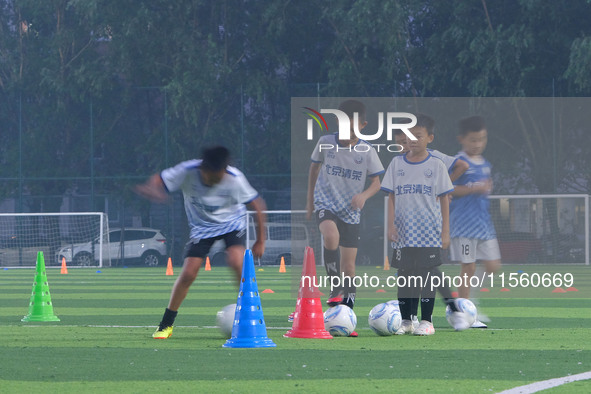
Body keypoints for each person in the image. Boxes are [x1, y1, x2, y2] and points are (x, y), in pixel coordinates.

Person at [135, 146, 267, 339]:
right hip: (202, 229)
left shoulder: (235, 178)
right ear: (202, 169)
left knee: (237, 263)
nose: (214, 180)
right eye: (210, 176)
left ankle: (252, 318)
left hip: (232, 224)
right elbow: (159, 179)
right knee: (188, 273)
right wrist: (153, 189)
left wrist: (260, 241)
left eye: (218, 176)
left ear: (225, 169)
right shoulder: (187, 171)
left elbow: (257, 205)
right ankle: (166, 324)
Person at [382, 114, 468, 336]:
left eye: (417, 136)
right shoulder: (396, 163)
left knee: (427, 275)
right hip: (403, 233)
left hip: (428, 232)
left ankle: (427, 320)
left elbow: (446, 199)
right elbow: (390, 196)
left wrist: (445, 231)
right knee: (404, 275)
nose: (411, 140)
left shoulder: (437, 164)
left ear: (429, 138)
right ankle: (406, 321)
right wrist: (390, 225)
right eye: (408, 136)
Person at [305, 99, 384, 336]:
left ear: (363, 125)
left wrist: (364, 196)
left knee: (349, 266)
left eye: (353, 126)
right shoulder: (325, 143)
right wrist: (310, 201)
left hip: (351, 211)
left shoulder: (367, 150)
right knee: (331, 236)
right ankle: (334, 287)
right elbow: (314, 169)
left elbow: (377, 182)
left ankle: (347, 315)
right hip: (326, 203)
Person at [449, 116, 501, 329]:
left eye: (482, 139)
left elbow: (483, 188)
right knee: (468, 268)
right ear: (462, 139)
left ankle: (471, 302)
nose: (478, 144)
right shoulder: (458, 162)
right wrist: (473, 188)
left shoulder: (486, 164)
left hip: (483, 223)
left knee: (493, 266)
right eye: (473, 140)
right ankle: (466, 313)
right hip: (463, 224)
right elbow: (447, 187)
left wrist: (487, 187)